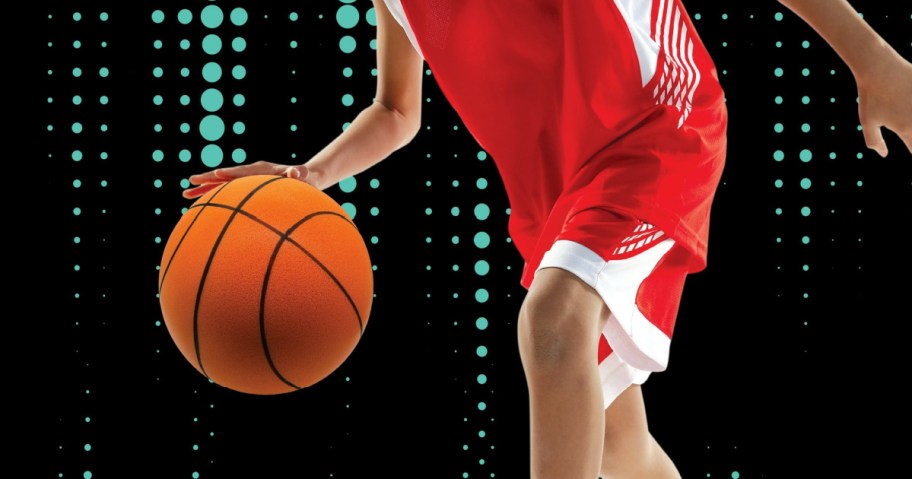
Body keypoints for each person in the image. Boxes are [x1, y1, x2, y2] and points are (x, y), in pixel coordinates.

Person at [184, 1, 912, 477]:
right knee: (620, 445)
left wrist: (871, 57)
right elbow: (396, 109)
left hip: (656, 126)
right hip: (553, 198)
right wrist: (312, 172)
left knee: (553, 323)